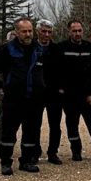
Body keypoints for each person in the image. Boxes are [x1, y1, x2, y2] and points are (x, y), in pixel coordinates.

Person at [0, 17, 45, 175]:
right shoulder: (7, 49)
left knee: (31, 131)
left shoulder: (38, 49)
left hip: (34, 99)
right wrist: (9, 83)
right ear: (17, 32)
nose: (28, 34)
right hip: (13, 98)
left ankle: (26, 161)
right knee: (9, 131)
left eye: (30, 31)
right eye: (24, 31)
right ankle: (6, 162)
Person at [53, 20, 91, 161]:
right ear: (69, 32)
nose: (77, 33)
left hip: (86, 94)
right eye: (74, 31)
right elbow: (56, 70)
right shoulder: (61, 48)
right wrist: (60, 88)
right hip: (69, 95)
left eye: (79, 30)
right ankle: (76, 150)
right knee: (72, 124)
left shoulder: (89, 47)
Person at [36, 19, 64, 164]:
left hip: (54, 93)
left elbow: (64, 70)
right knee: (34, 123)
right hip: (36, 92)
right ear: (38, 32)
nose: (46, 34)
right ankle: (35, 150)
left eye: (49, 32)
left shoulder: (57, 49)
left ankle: (53, 152)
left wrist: (61, 88)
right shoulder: (32, 48)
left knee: (55, 125)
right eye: (44, 31)